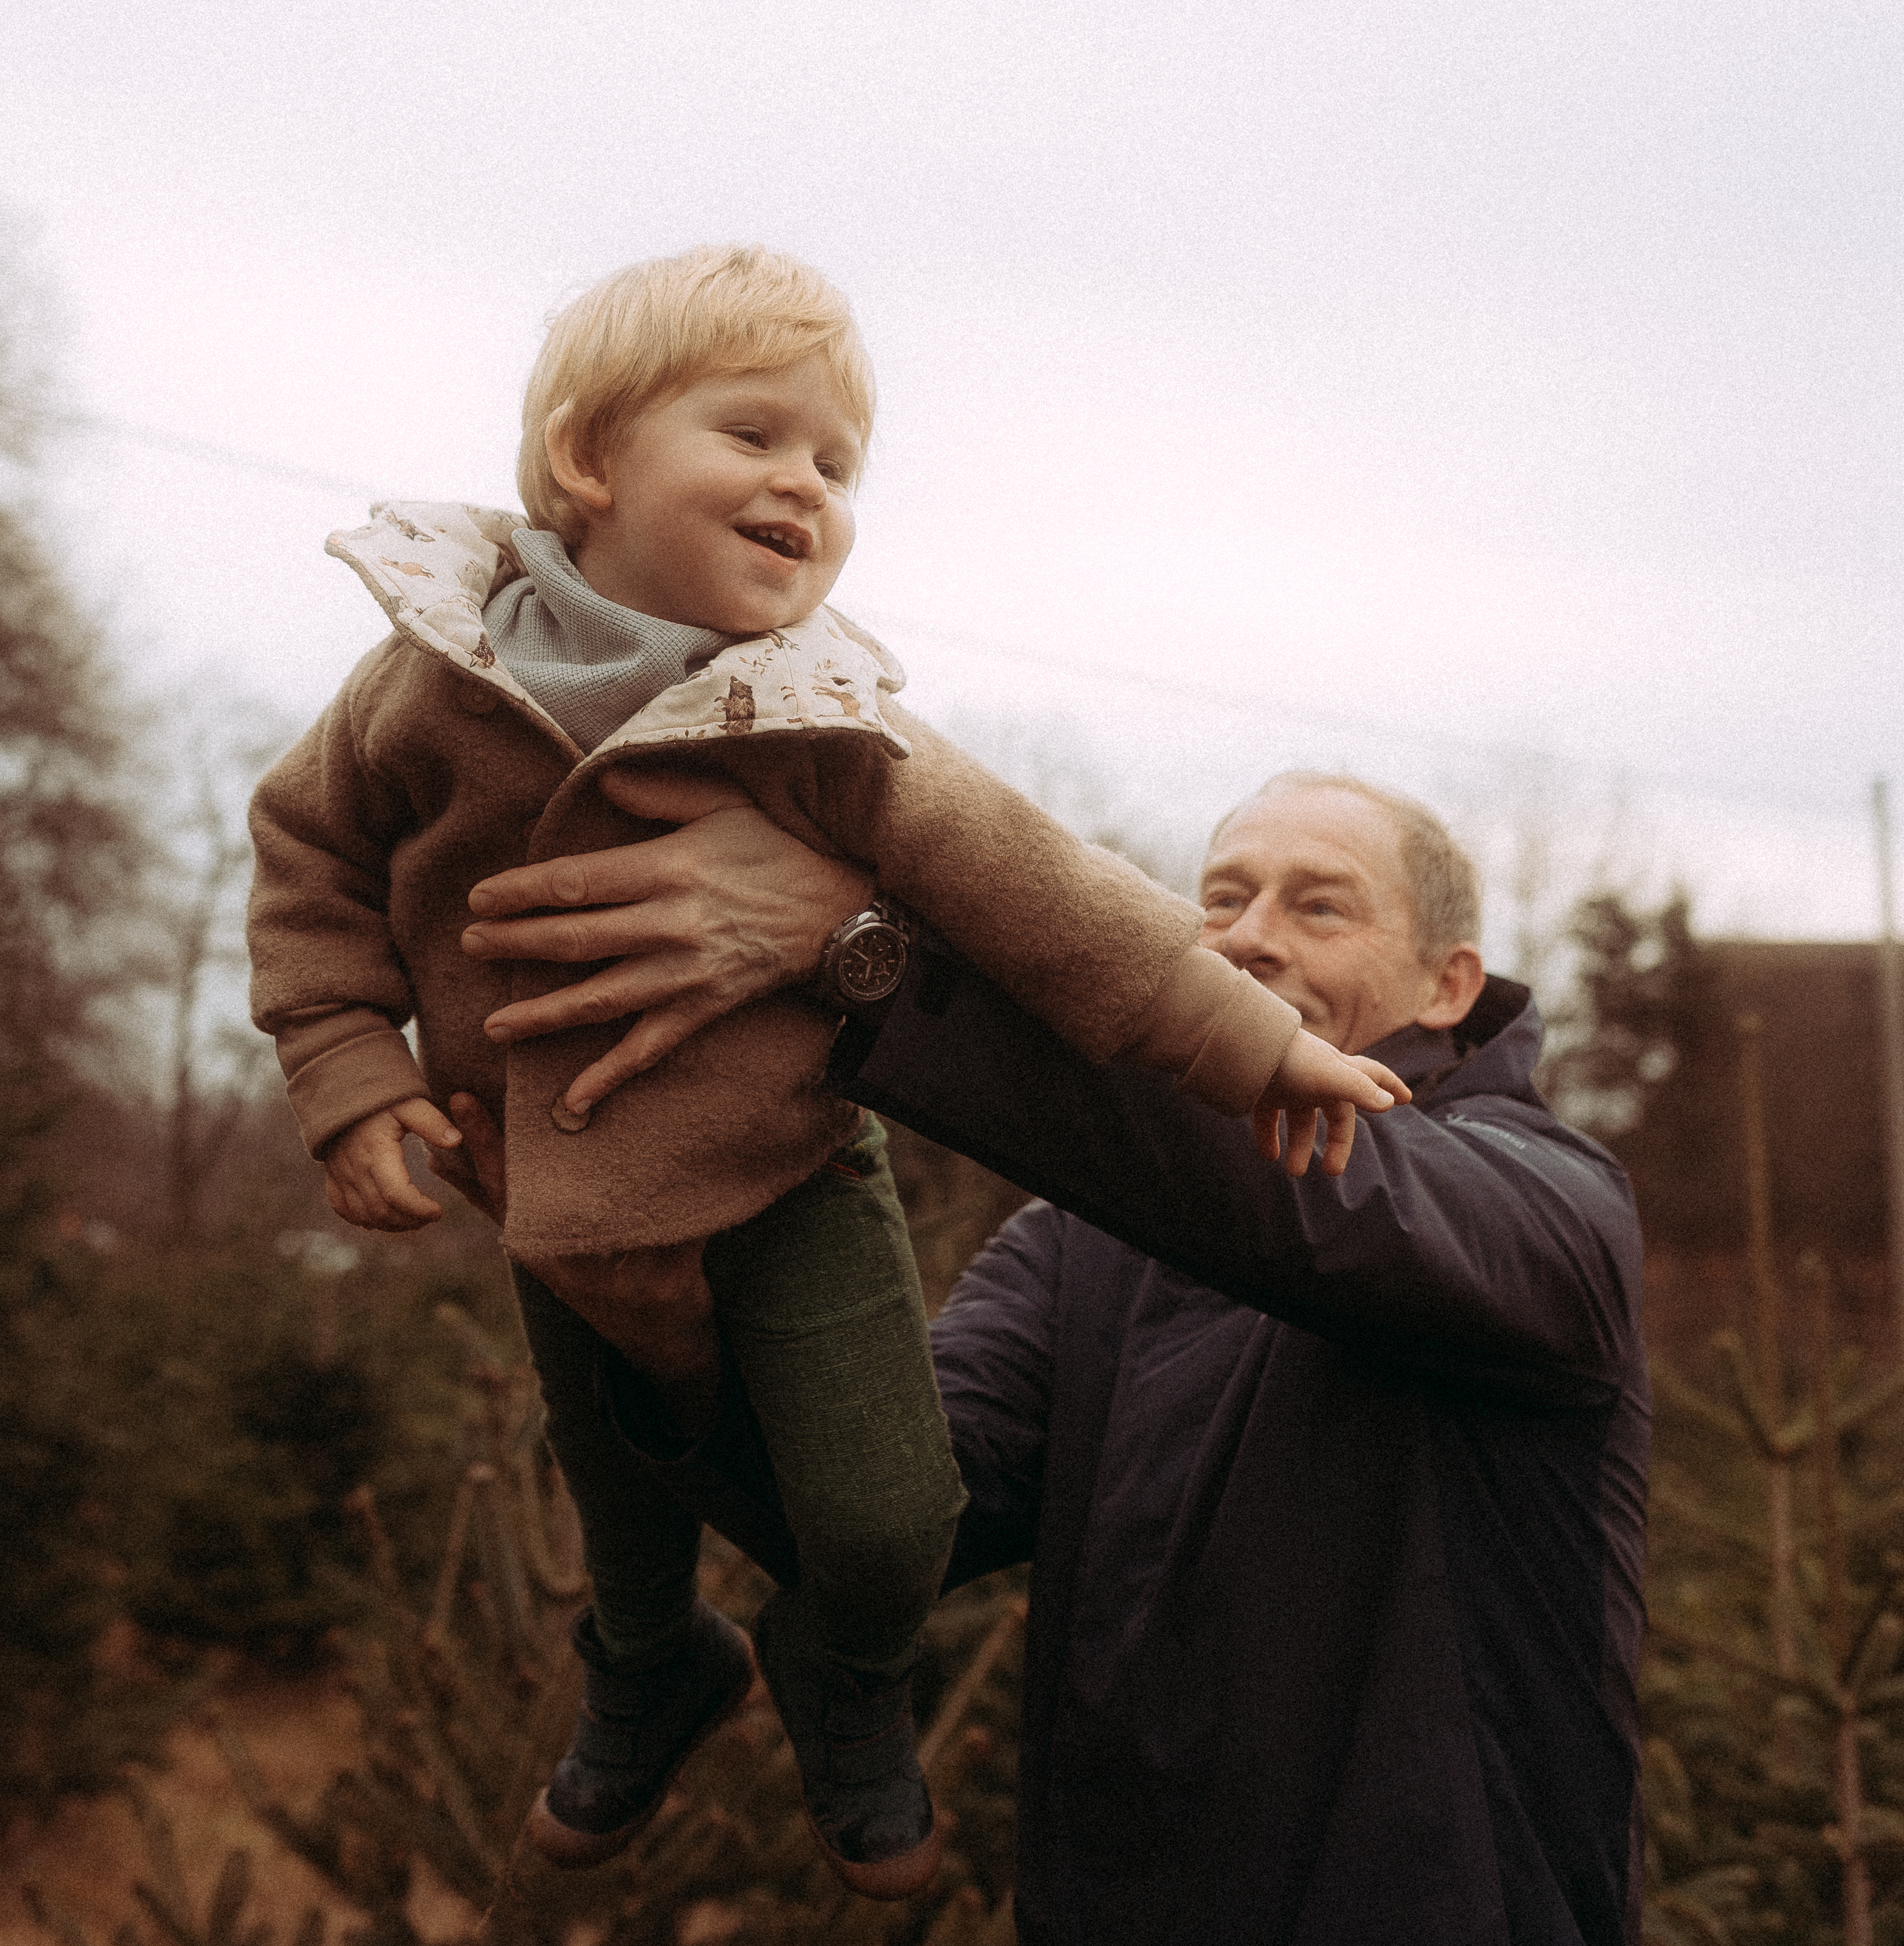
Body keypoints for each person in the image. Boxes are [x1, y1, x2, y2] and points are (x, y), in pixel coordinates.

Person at [246, 244, 1403, 1901]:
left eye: (837, 464)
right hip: (539, 1173)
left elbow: (1049, 899)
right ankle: (650, 1669)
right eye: (755, 436)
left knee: (885, 1526)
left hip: (792, 1177)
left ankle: (845, 1678)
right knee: (625, 1527)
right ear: (588, 461)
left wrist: (1262, 1044)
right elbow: (307, 861)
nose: (805, 483)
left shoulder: (815, 715)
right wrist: (347, 1075)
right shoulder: (431, 678)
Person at [448, 764, 1650, 1946]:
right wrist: (671, 1337)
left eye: (1317, 902)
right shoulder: (1082, 1247)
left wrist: (863, 952)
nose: (1247, 938)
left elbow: (1304, 1194)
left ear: (1447, 983)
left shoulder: (1547, 1206)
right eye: (1220, 899)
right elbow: (894, 1502)